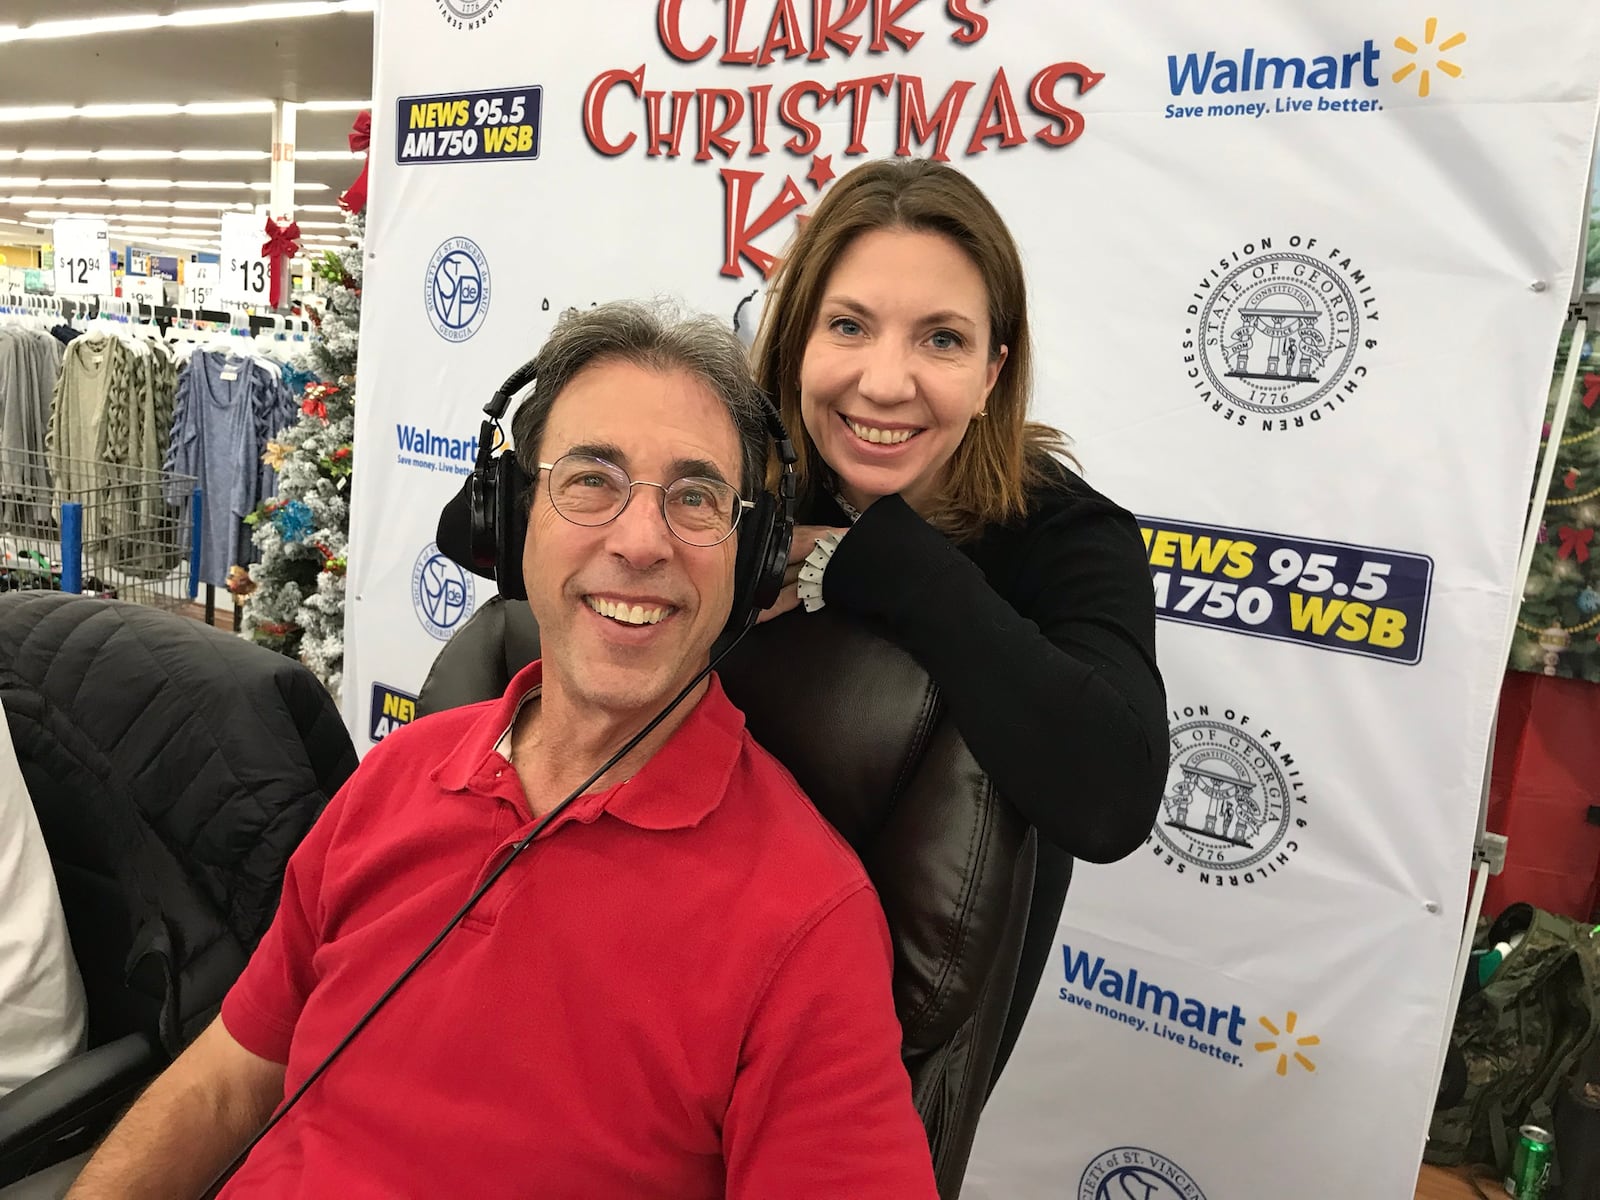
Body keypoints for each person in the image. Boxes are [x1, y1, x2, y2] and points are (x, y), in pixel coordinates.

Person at [66, 302, 938, 1199]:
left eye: (696, 497)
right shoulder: (397, 775)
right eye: (592, 480)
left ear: (749, 559)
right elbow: (226, 1082)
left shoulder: (810, 923)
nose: (641, 541)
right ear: (515, 519)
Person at [748, 157, 1168, 1085]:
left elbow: (1114, 793)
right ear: (795, 344)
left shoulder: (1065, 533)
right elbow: (481, 530)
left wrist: (872, 563)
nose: (886, 382)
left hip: (882, 1066)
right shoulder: (753, 466)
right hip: (695, 975)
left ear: (992, 373)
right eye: (848, 325)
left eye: (941, 339)